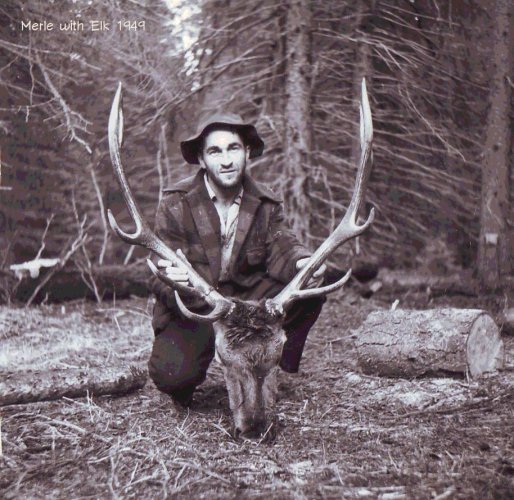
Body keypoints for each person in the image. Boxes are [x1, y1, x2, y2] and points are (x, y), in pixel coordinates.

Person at [147, 111, 326, 406]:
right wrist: (172, 279)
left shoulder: (265, 202)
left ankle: (269, 359)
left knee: (311, 285)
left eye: (233, 148)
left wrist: (301, 263)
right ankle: (195, 369)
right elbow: (156, 269)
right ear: (202, 160)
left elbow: (281, 244)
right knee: (173, 375)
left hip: (246, 304)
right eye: (215, 151)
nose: (226, 160)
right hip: (200, 305)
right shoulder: (175, 202)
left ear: (247, 153)